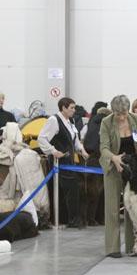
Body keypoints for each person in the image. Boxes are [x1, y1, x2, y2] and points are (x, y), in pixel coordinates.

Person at [99, 95, 137, 258]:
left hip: (133, 169)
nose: (121, 117)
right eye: (118, 114)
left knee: (133, 208)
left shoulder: (136, 119)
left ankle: (133, 245)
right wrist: (114, 158)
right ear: (113, 111)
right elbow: (104, 147)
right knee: (112, 208)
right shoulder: (106, 122)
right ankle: (112, 248)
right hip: (113, 167)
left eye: (124, 113)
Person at [38, 97, 90, 228]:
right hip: (58, 163)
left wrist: (82, 151)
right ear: (63, 108)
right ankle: (70, 220)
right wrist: (53, 151)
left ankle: (70, 219)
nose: (74, 110)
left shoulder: (70, 121)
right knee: (69, 190)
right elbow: (42, 139)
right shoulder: (54, 120)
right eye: (71, 108)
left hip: (70, 162)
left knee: (71, 191)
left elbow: (75, 140)